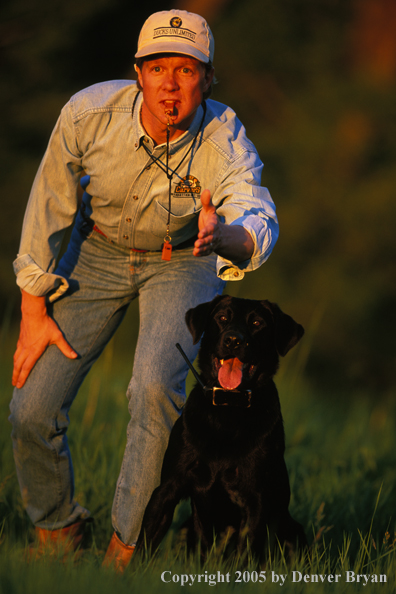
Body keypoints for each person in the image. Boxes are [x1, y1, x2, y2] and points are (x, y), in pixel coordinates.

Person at [9, 9, 279, 570]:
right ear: (137, 72)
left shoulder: (223, 134)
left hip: (184, 259)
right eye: (158, 68)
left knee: (154, 387)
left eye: (186, 70)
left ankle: (127, 550)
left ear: (209, 79)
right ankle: (58, 529)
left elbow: (257, 217)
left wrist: (222, 233)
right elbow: (49, 201)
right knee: (31, 407)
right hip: (96, 249)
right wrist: (33, 303)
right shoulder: (87, 113)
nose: (171, 84)